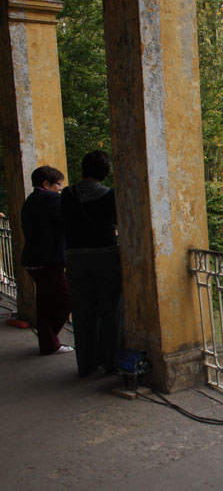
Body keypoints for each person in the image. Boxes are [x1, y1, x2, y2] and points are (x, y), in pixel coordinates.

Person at [61, 150, 123, 376]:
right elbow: (119, 221)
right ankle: (110, 362)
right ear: (105, 171)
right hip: (105, 256)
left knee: (82, 311)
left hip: (76, 257)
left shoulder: (67, 194)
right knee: (109, 311)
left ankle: (86, 364)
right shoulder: (109, 195)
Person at [20, 166, 72, 355]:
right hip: (48, 261)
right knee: (66, 299)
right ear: (46, 183)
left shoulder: (31, 200)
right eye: (58, 184)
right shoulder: (51, 199)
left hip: (33, 259)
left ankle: (48, 343)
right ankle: (51, 341)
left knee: (44, 303)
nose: (60, 188)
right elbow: (67, 221)